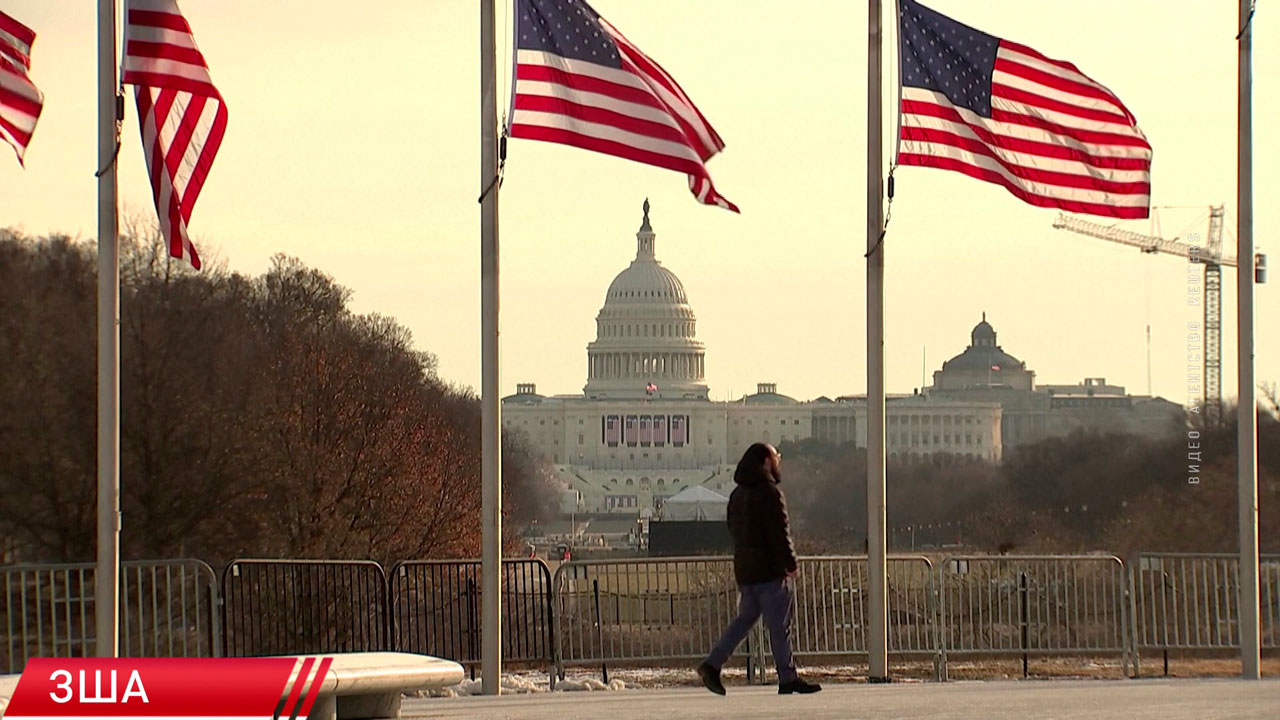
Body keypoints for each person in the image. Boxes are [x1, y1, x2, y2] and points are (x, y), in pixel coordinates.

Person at [697, 443, 821, 695]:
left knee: (744, 621)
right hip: (770, 570)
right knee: (779, 625)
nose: (779, 462)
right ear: (766, 461)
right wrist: (790, 562)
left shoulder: (737, 495)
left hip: (746, 570)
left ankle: (713, 663)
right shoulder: (770, 493)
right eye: (777, 457)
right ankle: (787, 677)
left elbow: (734, 530)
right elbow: (779, 532)